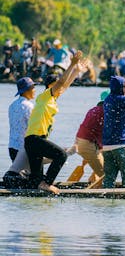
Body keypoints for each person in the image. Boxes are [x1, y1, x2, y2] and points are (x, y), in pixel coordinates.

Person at [24, 51, 85, 194]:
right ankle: (47, 183)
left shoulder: (52, 99)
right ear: (51, 86)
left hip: (32, 141)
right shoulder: (45, 95)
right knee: (61, 155)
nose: (61, 88)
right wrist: (72, 64)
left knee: (35, 182)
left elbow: (65, 85)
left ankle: (39, 185)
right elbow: (62, 82)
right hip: (35, 140)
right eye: (57, 85)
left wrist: (76, 71)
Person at [75, 90, 109, 188]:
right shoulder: (104, 112)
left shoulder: (93, 109)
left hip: (82, 143)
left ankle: (93, 180)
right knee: (107, 176)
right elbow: (100, 136)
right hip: (89, 145)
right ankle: (98, 192)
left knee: (101, 168)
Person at [8, 77, 35, 161]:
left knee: (17, 173)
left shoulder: (12, 105)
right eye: (33, 88)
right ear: (27, 90)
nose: (35, 90)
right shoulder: (29, 106)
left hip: (12, 146)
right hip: (23, 148)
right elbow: (33, 128)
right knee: (32, 173)